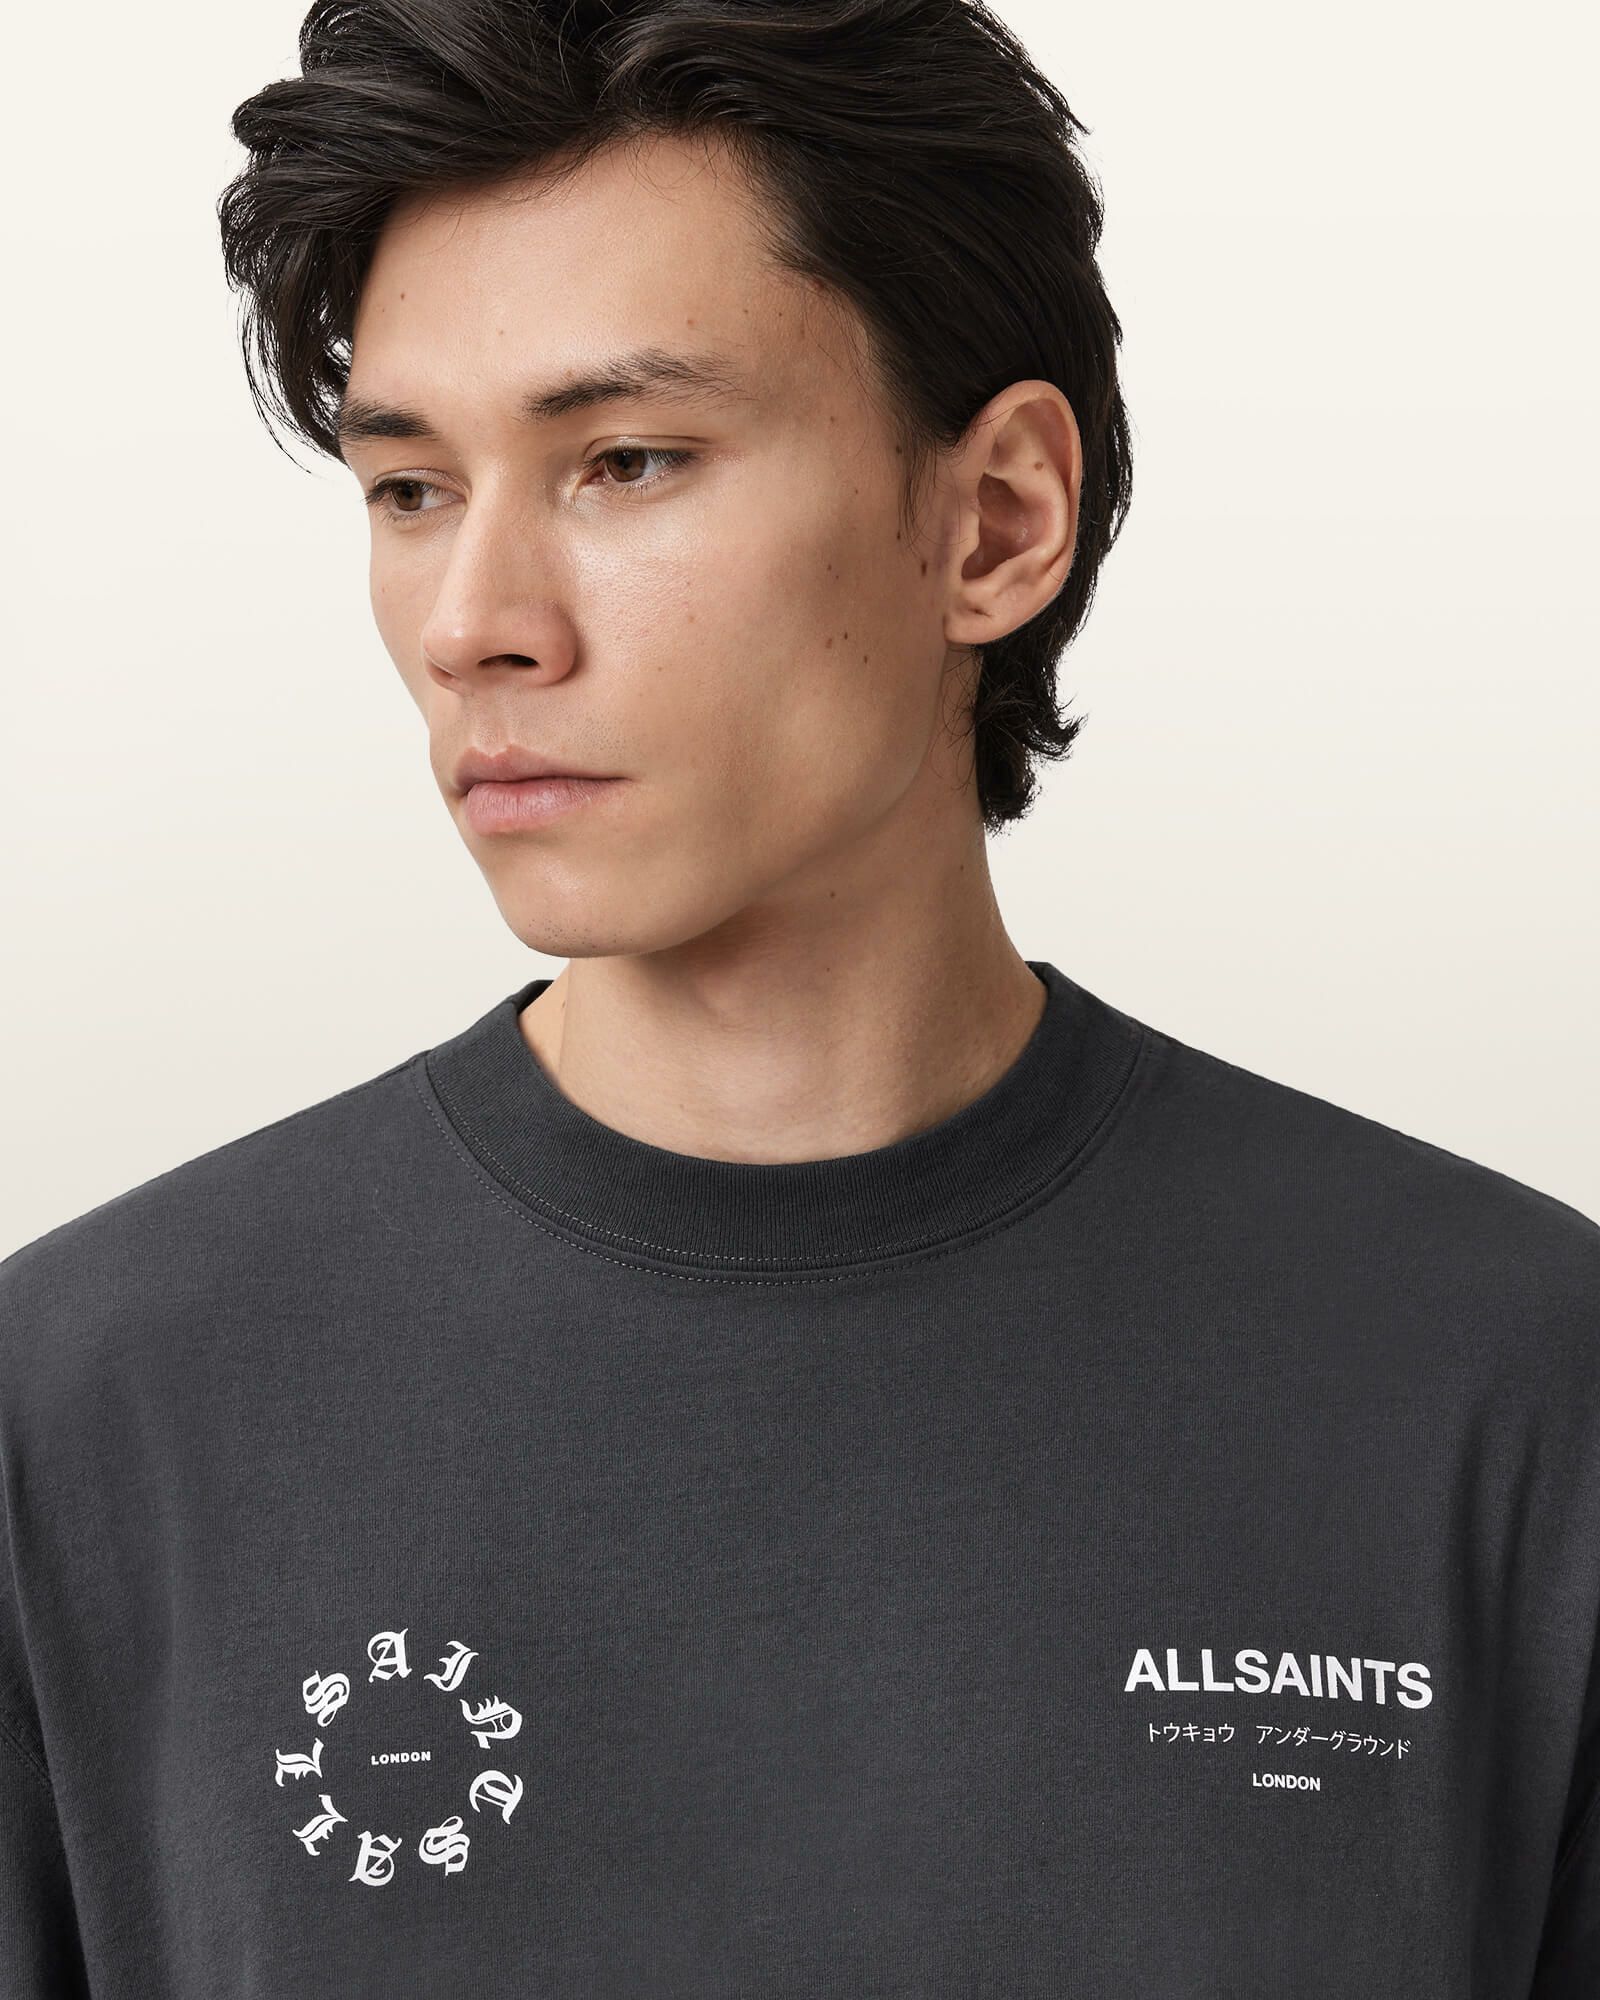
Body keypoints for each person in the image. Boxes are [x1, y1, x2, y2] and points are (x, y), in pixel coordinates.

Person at [2, 1, 1596, 1993]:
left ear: (996, 520)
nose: (477, 624)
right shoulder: (83, 1415)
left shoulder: (1509, 1383)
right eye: (409, 488)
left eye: (626, 461)